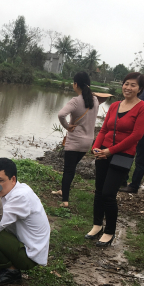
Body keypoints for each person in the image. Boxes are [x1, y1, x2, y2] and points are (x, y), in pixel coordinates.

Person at [84, 72, 144, 247]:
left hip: (123, 154)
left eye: (133, 85)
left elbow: (136, 135)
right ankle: (97, 225)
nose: (128, 87)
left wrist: (110, 151)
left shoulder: (143, 107)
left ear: (140, 89)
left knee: (108, 194)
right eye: (126, 83)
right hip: (103, 152)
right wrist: (96, 148)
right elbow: (104, 129)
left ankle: (109, 231)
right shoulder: (114, 106)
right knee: (98, 192)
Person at [0, 158, 50, 285]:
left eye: (0, 180)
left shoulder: (21, 196)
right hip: (21, 242)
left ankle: (11, 272)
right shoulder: (6, 191)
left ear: (13, 179)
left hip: (28, 255)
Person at [51, 71, 100, 208]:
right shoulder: (95, 100)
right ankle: (63, 190)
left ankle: (65, 200)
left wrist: (67, 126)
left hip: (75, 140)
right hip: (88, 141)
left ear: (76, 84)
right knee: (71, 168)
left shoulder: (75, 101)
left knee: (68, 170)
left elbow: (61, 114)